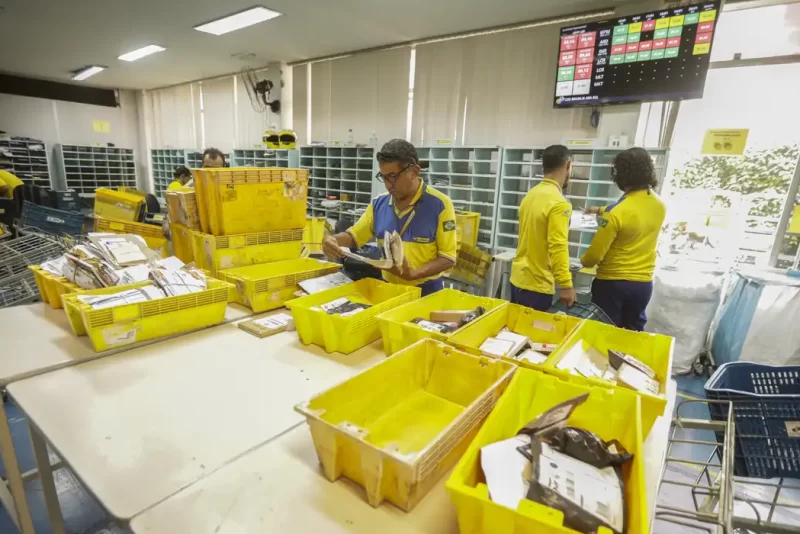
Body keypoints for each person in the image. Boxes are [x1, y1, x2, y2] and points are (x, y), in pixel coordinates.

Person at [322, 139, 457, 296]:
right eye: (383, 177)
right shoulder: (379, 204)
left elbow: (447, 258)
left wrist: (414, 274)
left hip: (426, 291)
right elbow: (354, 236)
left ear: (414, 171)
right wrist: (333, 240)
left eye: (393, 176)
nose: (388, 184)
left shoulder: (440, 205)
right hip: (388, 288)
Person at [580, 147, 666, 331]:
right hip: (643, 285)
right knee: (632, 334)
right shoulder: (659, 205)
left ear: (619, 175)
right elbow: (634, 214)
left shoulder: (615, 214)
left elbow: (592, 258)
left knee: (605, 333)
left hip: (613, 285)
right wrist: (599, 210)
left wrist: (582, 261)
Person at [509, 145, 576, 311]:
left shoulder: (531, 195)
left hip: (518, 279)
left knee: (516, 333)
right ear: (568, 165)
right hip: (537, 285)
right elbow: (558, 245)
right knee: (533, 335)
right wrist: (566, 285)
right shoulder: (559, 203)